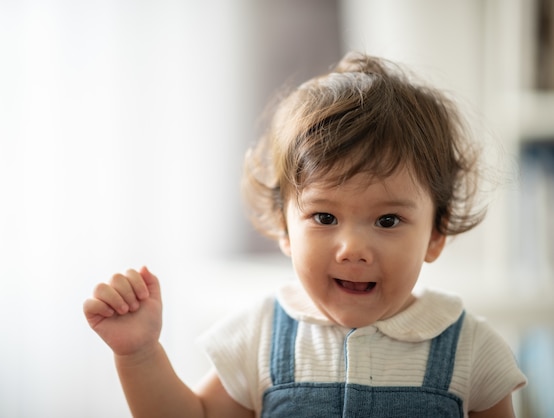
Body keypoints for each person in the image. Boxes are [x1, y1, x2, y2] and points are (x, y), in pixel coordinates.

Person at [83, 52, 527, 417]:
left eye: (387, 221)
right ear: (285, 228)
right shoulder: (259, 336)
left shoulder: (472, 350)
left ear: (436, 234)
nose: (352, 248)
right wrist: (139, 354)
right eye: (325, 218)